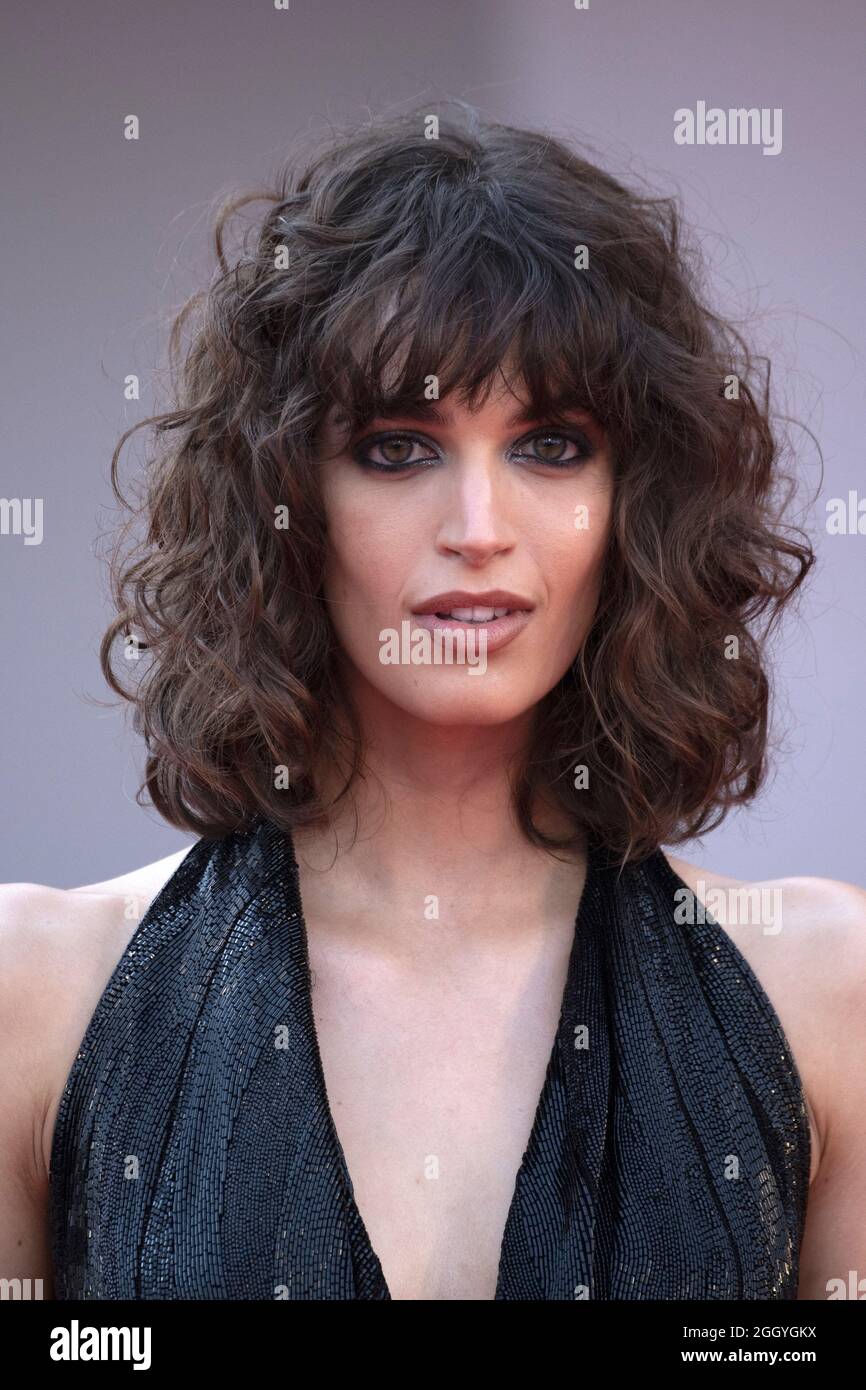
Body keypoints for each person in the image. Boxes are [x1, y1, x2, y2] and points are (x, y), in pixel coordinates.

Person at [2, 106, 864, 1302]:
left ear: (638, 504)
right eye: (400, 448)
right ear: (282, 498)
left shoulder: (826, 992)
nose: (478, 530)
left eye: (552, 446)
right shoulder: (33, 994)